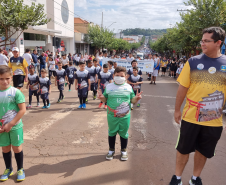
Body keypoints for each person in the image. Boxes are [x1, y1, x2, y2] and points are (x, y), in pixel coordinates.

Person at [169, 27, 226, 185]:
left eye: (206, 41)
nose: (202, 44)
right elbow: (183, 88)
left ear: (218, 43)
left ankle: (195, 178)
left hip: (213, 119)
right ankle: (177, 177)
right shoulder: (193, 62)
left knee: (203, 151)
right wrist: (176, 110)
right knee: (183, 149)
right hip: (191, 117)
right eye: (202, 40)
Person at [98, 66, 142, 161]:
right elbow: (105, 99)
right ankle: (111, 150)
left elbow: (132, 100)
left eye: (121, 76)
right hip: (112, 115)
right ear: (113, 76)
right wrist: (102, 98)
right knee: (112, 132)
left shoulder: (128, 87)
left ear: (125, 76)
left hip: (124, 116)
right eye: (117, 75)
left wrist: (136, 98)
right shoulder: (109, 87)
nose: (119, 77)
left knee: (124, 133)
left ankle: (123, 151)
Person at [0, 65, 26, 182]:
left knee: (17, 148)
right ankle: (8, 168)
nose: (5, 81)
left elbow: (22, 109)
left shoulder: (16, 92)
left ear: (11, 78)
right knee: (5, 149)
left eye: (7, 78)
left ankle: (20, 169)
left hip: (15, 126)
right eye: (1, 79)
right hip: (1, 129)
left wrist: (10, 124)